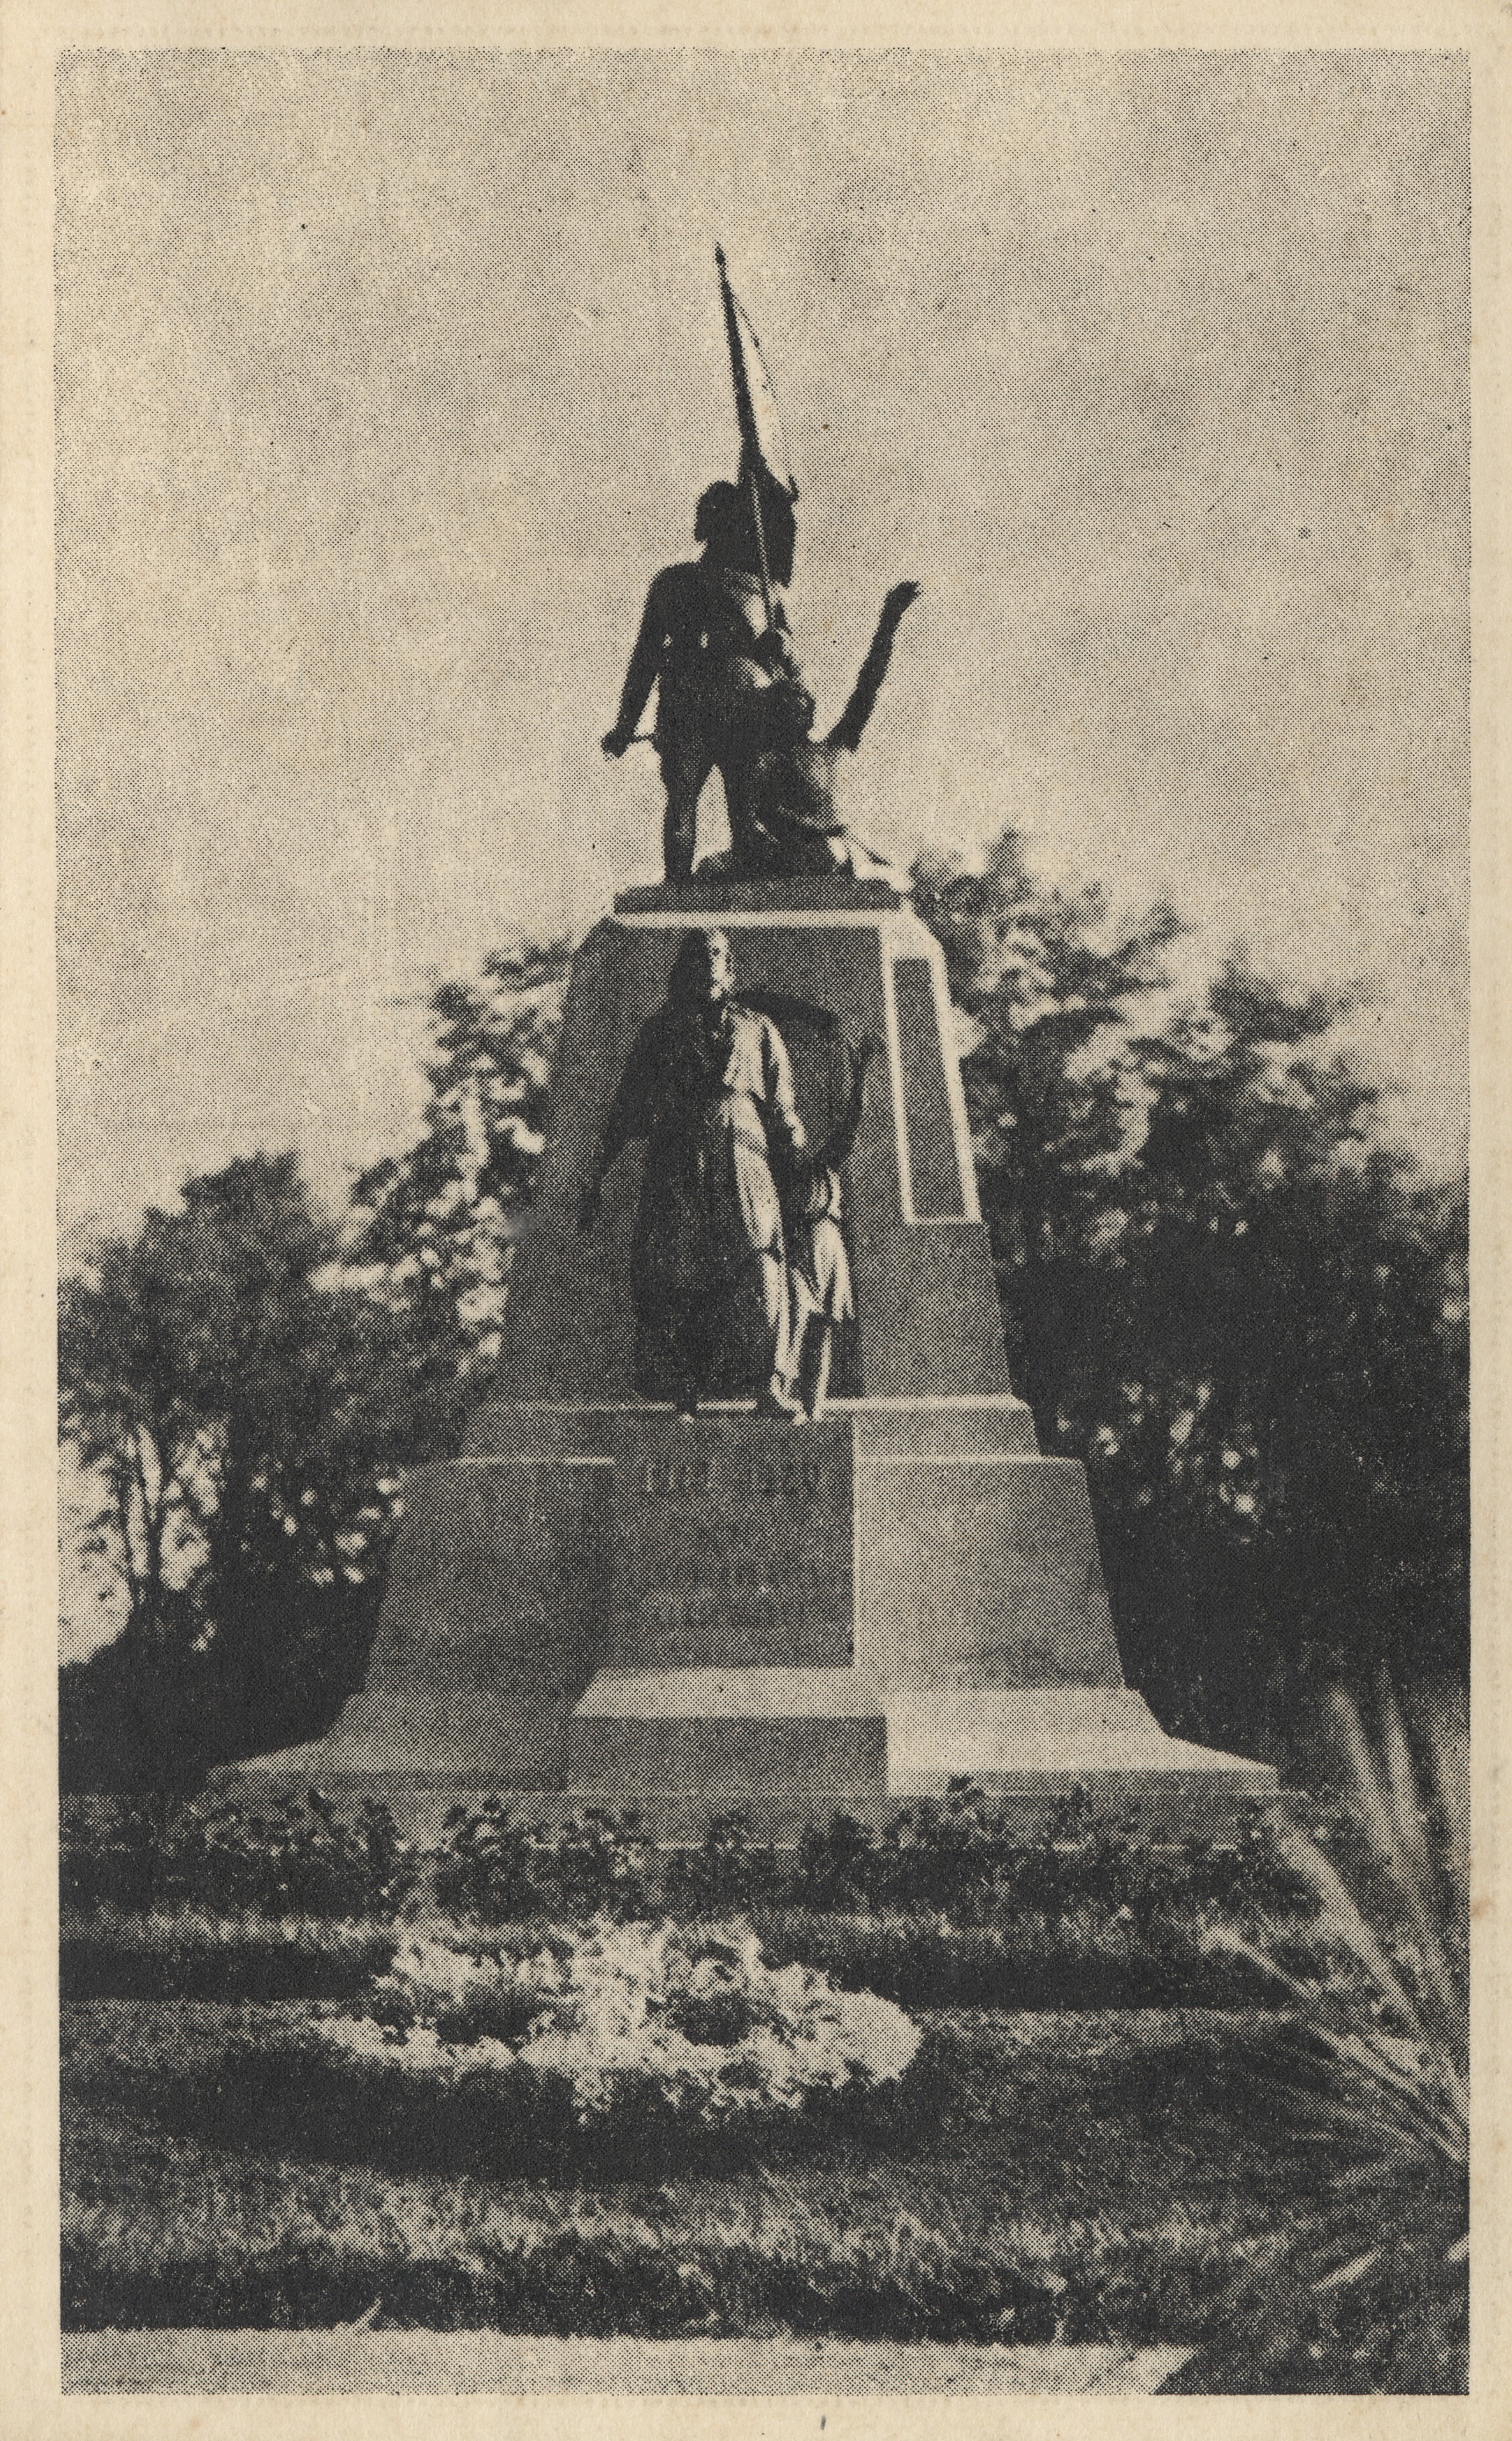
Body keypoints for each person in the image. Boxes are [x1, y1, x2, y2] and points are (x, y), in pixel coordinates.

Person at [578, 929, 805, 1416]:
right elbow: (626, 1109)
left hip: (744, 1153)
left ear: (729, 967)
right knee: (675, 1270)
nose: (708, 967)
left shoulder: (758, 1028)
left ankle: (772, 1382)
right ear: (682, 970)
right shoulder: (660, 1031)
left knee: (762, 1261)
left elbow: (784, 1111)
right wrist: (596, 1176)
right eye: (698, 959)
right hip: (678, 1154)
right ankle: (682, 1390)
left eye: (716, 957)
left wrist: (801, 1164)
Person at [601, 483, 801, 884]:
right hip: (700, 709)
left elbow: (784, 666)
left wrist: (781, 657)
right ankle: (679, 893)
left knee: (726, 812)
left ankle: (709, 888)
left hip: (730, 711)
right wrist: (624, 725)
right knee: (692, 807)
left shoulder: (760, 592)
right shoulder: (689, 586)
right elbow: (646, 658)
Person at [780, 1032, 878, 1418]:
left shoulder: (824, 1165)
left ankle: (814, 1408)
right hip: (797, 1240)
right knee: (796, 1315)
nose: (794, 1138)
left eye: (797, 1134)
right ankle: (780, 1391)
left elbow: (852, 1125)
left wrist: (860, 1077)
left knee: (823, 1327)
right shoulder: (775, 1172)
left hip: (828, 1239)